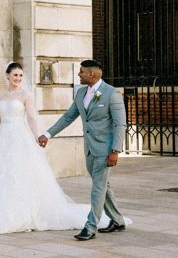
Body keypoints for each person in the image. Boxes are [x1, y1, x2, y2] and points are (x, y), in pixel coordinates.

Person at [0, 62, 113, 235]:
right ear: (7, 76)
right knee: (2, 172)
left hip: (19, 136)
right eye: (15, 75)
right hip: (3, 139)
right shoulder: (2, 97)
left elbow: (31, 117)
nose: (18, 78)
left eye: (20, 75)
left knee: (21, 172)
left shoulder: (27, 94)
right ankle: (2, 210)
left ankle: (26, 212)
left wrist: (37, 137)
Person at [39, 59, 128, 241]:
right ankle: (118, 220)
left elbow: (120, 124)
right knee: (103, 185)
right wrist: (47, 134)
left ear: (92, 74)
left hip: (105, 150)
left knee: (98, 187)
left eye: (81, 72)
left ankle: (90, 226)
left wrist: (115, 150)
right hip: (89, 148)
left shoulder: (112, 94)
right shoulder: (81, 93)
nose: (79, 74)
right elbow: (68, 117)